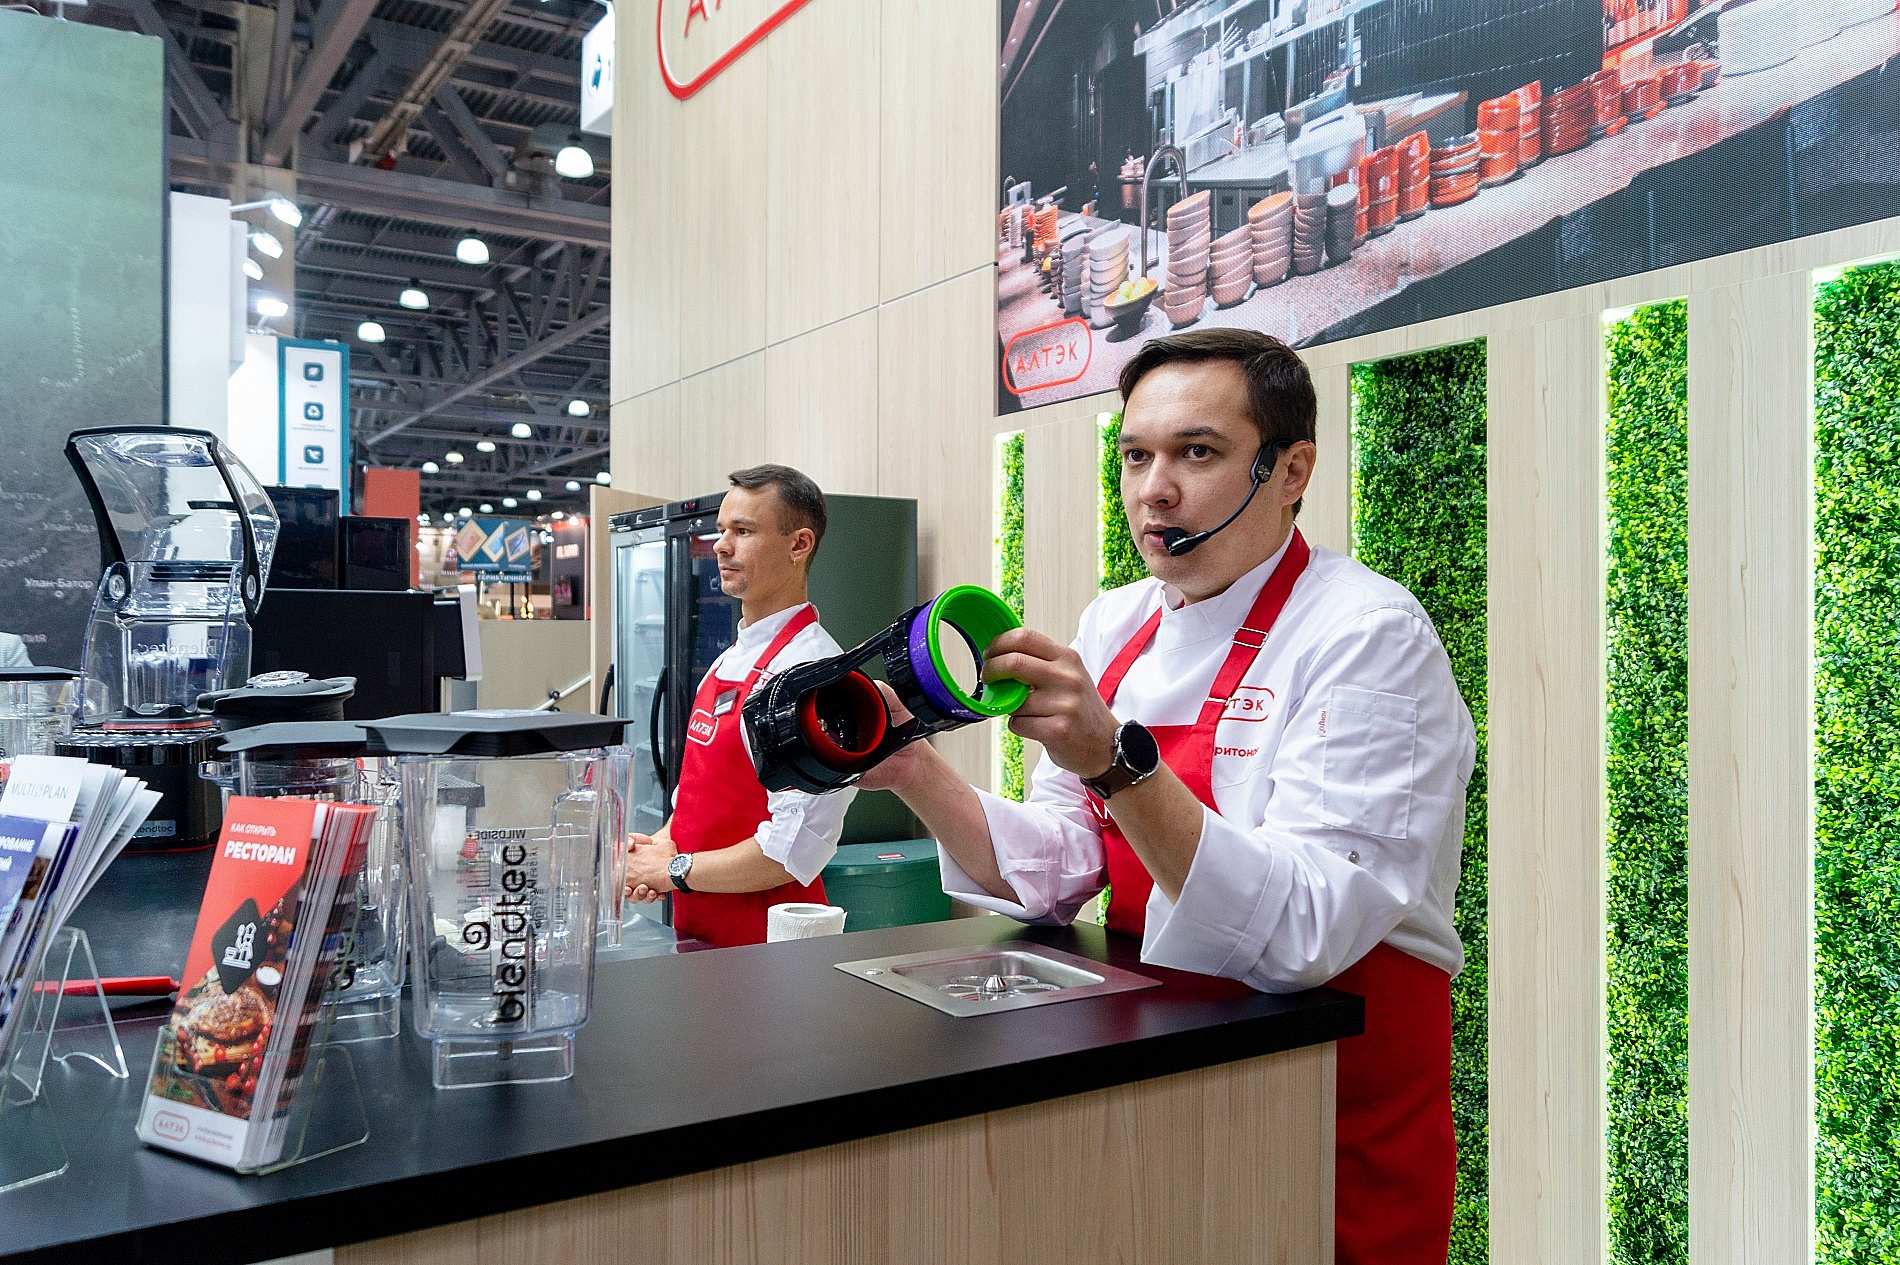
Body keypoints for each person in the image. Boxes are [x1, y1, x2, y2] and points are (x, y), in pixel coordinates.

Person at [860, 329, 1475, 1263]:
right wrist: (913, 766)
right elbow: (1057, 870)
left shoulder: (1366, 632)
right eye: (1136, 455)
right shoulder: (1117, 622)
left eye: (1197, 452)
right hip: (1166, 1075)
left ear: (1292, 469)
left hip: (1330, 1100)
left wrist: (1116, 762)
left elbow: (1304, 931)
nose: (1154, 489)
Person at [622, 464, 857, 948]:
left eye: (743, 531)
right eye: (721, 529)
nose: (720, 546)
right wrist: (660, 846)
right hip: (701, 938)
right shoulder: (730, 658)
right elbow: (696, 802)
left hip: (769, 950)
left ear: (799, 545)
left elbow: (789, 851)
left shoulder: (815, 675)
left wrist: (673, 869)